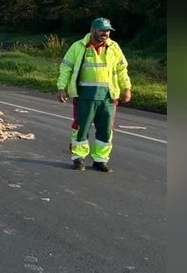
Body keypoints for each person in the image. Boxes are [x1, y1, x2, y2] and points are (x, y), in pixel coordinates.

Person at [55, 17, 132, 172]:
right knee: (81, 127)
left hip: (108, 97)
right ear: (92, 30)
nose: (105, 33)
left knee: (105, 129)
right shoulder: (78, 46)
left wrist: (126, 88)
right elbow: (66, 68)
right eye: (102, 30)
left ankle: (100, 160)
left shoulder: (114, 47)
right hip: (85, 96)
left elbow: (122, 70)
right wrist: (61, 87)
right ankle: (78, 158)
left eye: (108, 30)